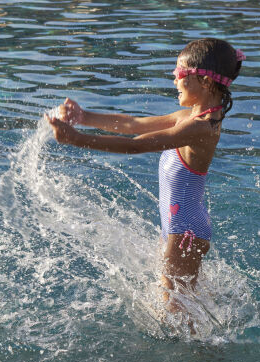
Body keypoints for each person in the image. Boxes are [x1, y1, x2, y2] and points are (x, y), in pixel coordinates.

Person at [46, 38, 244, 314]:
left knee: (176, 316)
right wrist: (84, 116)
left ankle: (211, 355)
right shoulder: (189, 117)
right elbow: (132, 125)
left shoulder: (201, 127)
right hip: (182, 227)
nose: (174, 80)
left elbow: (137, 144)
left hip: (185, 231)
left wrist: (78, 140)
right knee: (182, 310)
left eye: (179, 74)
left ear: (205, 82)